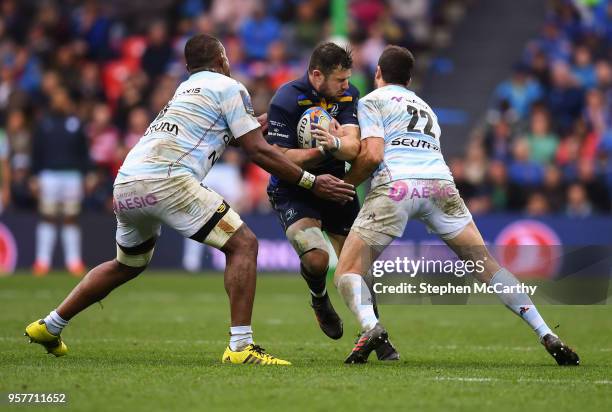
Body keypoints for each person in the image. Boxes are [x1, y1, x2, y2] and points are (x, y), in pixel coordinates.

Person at [24, 34, 355, 366]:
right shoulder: (230, 87)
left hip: (127, 180)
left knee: (126, 264)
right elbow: (256, 150)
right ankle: (241, 347)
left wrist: (254, 126)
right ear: (222, 60)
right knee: (243, 245)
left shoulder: (184, 90)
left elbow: (231, 135)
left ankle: (50, 325)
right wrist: (312, 181)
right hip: (169, 179)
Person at [334, 45, 579, 366]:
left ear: (378, 73)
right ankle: (546, 331)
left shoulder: (370, 101)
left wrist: (344, 183)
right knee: (487, 265)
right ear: (409, 78)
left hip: (396, 186)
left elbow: (372, 155)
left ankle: (370, 327)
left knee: (347, 271)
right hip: (440, 186)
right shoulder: (426, 108)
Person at [265, 42, 399, 360]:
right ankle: (319, 298)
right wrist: (321, 151)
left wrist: (336, 143)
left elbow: (353, 145)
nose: (345, 86)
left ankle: (374, 334)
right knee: (317, 260)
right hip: (294, 187)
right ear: (316, 75)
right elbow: (281, 157)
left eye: (347, 79)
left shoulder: (348, 94)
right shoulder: (285, 99)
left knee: (359, 266)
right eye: (339, 80)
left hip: (336, 186)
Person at [30, 88, 92, 277]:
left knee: (71, 218)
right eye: (56, 98)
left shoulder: (76, 123)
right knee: (47, 216)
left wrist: (88, 174)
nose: (60, 102)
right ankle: (42, 261)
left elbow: (84, 152)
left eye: (63, 98)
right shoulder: (43, 124)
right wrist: (34, 176)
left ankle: (73, 261)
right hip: (49, 175)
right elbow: (36, 152)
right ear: (51, 102)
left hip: (72, 175)